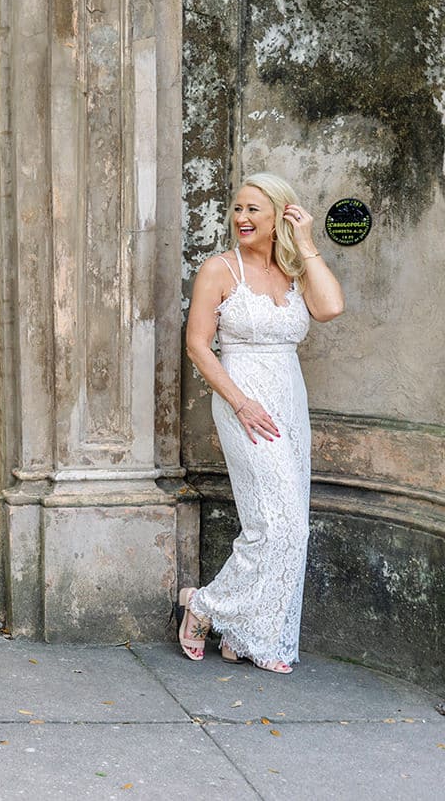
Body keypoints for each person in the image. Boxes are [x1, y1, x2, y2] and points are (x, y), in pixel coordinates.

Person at [177, 172, 344, 674]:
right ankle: (204, 605)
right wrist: (241, 402)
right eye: (237, 209)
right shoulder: (219, 270)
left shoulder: (294, 270)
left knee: (279, 526)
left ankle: (244, 634)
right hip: (243, 401)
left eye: (254, 210)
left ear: (279, 216)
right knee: (279, 522)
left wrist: (308, 242)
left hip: (289, 403)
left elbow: (331, 307)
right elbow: (198, 346)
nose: (242, 219)